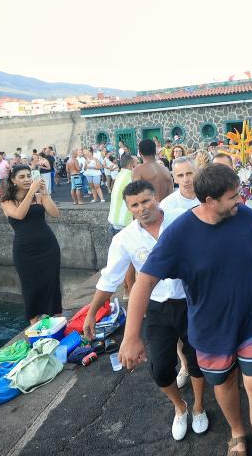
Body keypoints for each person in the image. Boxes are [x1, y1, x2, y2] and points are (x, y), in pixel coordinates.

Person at [120, 164, 252, 456]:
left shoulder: (245, 216)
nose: (239, 201)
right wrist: (132, 336)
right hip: (209, 330)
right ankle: (237, 432)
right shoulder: (179, 234)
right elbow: (143, 283)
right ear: (210, 201)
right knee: (225, 381)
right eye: (232, 197)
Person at [84, 180, 209, 441]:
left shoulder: (182, 220)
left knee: (198, 359)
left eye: (146, 201)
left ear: (156, 198)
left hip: (191, 301)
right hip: (156, 307)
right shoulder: (124, 239)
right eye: (135, 205)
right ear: (129, 208)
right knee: (159, 367)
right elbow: (110, 279)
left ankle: (198, 406)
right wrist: (91, 313)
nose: (142, 208)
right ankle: (180, 406)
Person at [0, 165, 62, 324]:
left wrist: (45, 194)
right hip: (25, 252)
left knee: (51, 284)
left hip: (48, 247)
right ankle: (35, 327)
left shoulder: (39, 197)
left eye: (29, 176)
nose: (27, 179)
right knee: (30, 288)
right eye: (22, 177)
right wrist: (30, 193)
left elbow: (55, 214)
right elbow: (19, 215)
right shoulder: (7, 201)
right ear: (13, 180)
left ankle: (54, 323)